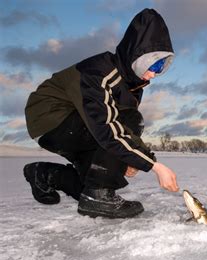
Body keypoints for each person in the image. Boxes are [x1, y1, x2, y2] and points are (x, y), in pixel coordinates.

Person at [23, 8, 179, 219]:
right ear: (137, 54)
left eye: (162, 67)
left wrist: (133, 159)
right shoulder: (100, 72)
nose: (155, 73)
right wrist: (152, 165)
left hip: (77, 126)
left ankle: (45, 174)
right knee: (130, 121)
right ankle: (98, 195)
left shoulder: (133, 87)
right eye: (155, 63)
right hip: (52, 117)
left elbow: (117, 131)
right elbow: (110, 127)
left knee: (90, 184)